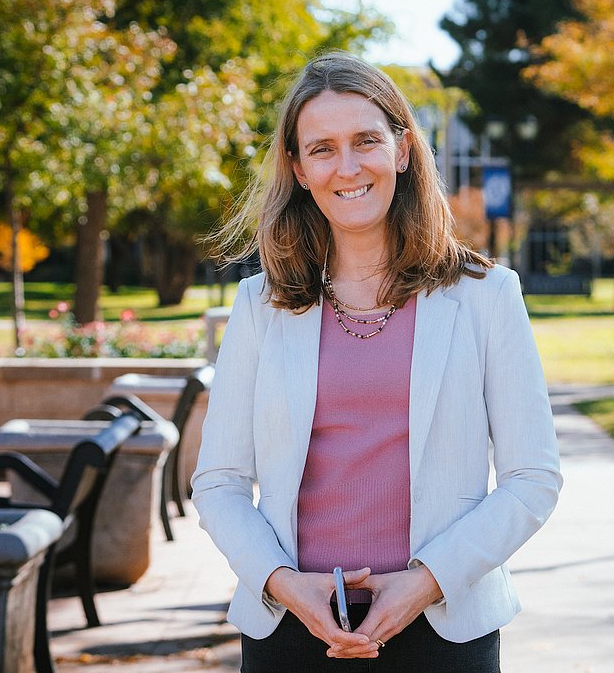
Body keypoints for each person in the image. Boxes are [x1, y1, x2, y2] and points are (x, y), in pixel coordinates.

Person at [192, 51, 562, 672]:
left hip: (443, 630)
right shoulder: (260, 304)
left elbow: (533, 479)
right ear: (298, 169)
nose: (348, 166)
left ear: (404, 150)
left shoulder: (486, 296)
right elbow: (219, 482)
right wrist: (283, 582)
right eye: (322, 148)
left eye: (367, 140)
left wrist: (426, 582)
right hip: (291, 630)